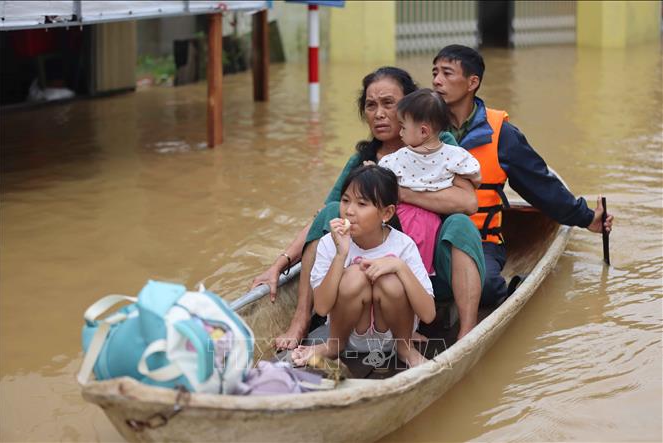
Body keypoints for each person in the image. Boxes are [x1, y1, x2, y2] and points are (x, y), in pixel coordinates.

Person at [251, 66, 485, 347]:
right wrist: (281, 263)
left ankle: (467, 332)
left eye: (389, 103)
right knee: (332, 210)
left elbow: (468, 201)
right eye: (371, 105)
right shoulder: (365, 159)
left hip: (432, 273)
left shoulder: (437, 144)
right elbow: (324, 216)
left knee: (461, 226)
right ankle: (300, 320)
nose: (379, 113)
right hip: (368, 271)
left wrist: (399, 194)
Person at [430, 44, 615, 305]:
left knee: (485, 289)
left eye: (447, 74)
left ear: (472, 82)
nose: (437, 80)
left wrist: (586, 218)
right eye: (435, 73)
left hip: (481, 240)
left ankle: (509, 289)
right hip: (430, 235)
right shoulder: (423, 126)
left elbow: (541, 186)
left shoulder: (502, 134)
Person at [291, 165, 436, 368]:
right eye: (345, 201)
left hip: (392, 338)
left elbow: (428, 314)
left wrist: (399, 266)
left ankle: (405, 349)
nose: (349, 211)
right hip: (348, 336)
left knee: (390, 279)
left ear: (386, 213)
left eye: (362, 204)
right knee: (355, 276)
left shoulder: (402, 245)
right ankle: (333, 346)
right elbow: (322, 308)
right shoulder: (330, 243)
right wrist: (341, 255)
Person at [378, 88, 481, 274]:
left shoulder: (397, 159)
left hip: (401, 220)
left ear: (423, 131)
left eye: (403, 127)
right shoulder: (456, 157)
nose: (400, 133)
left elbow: (382, 181)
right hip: (434, 224)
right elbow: (476, 178)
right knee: (418, 272)